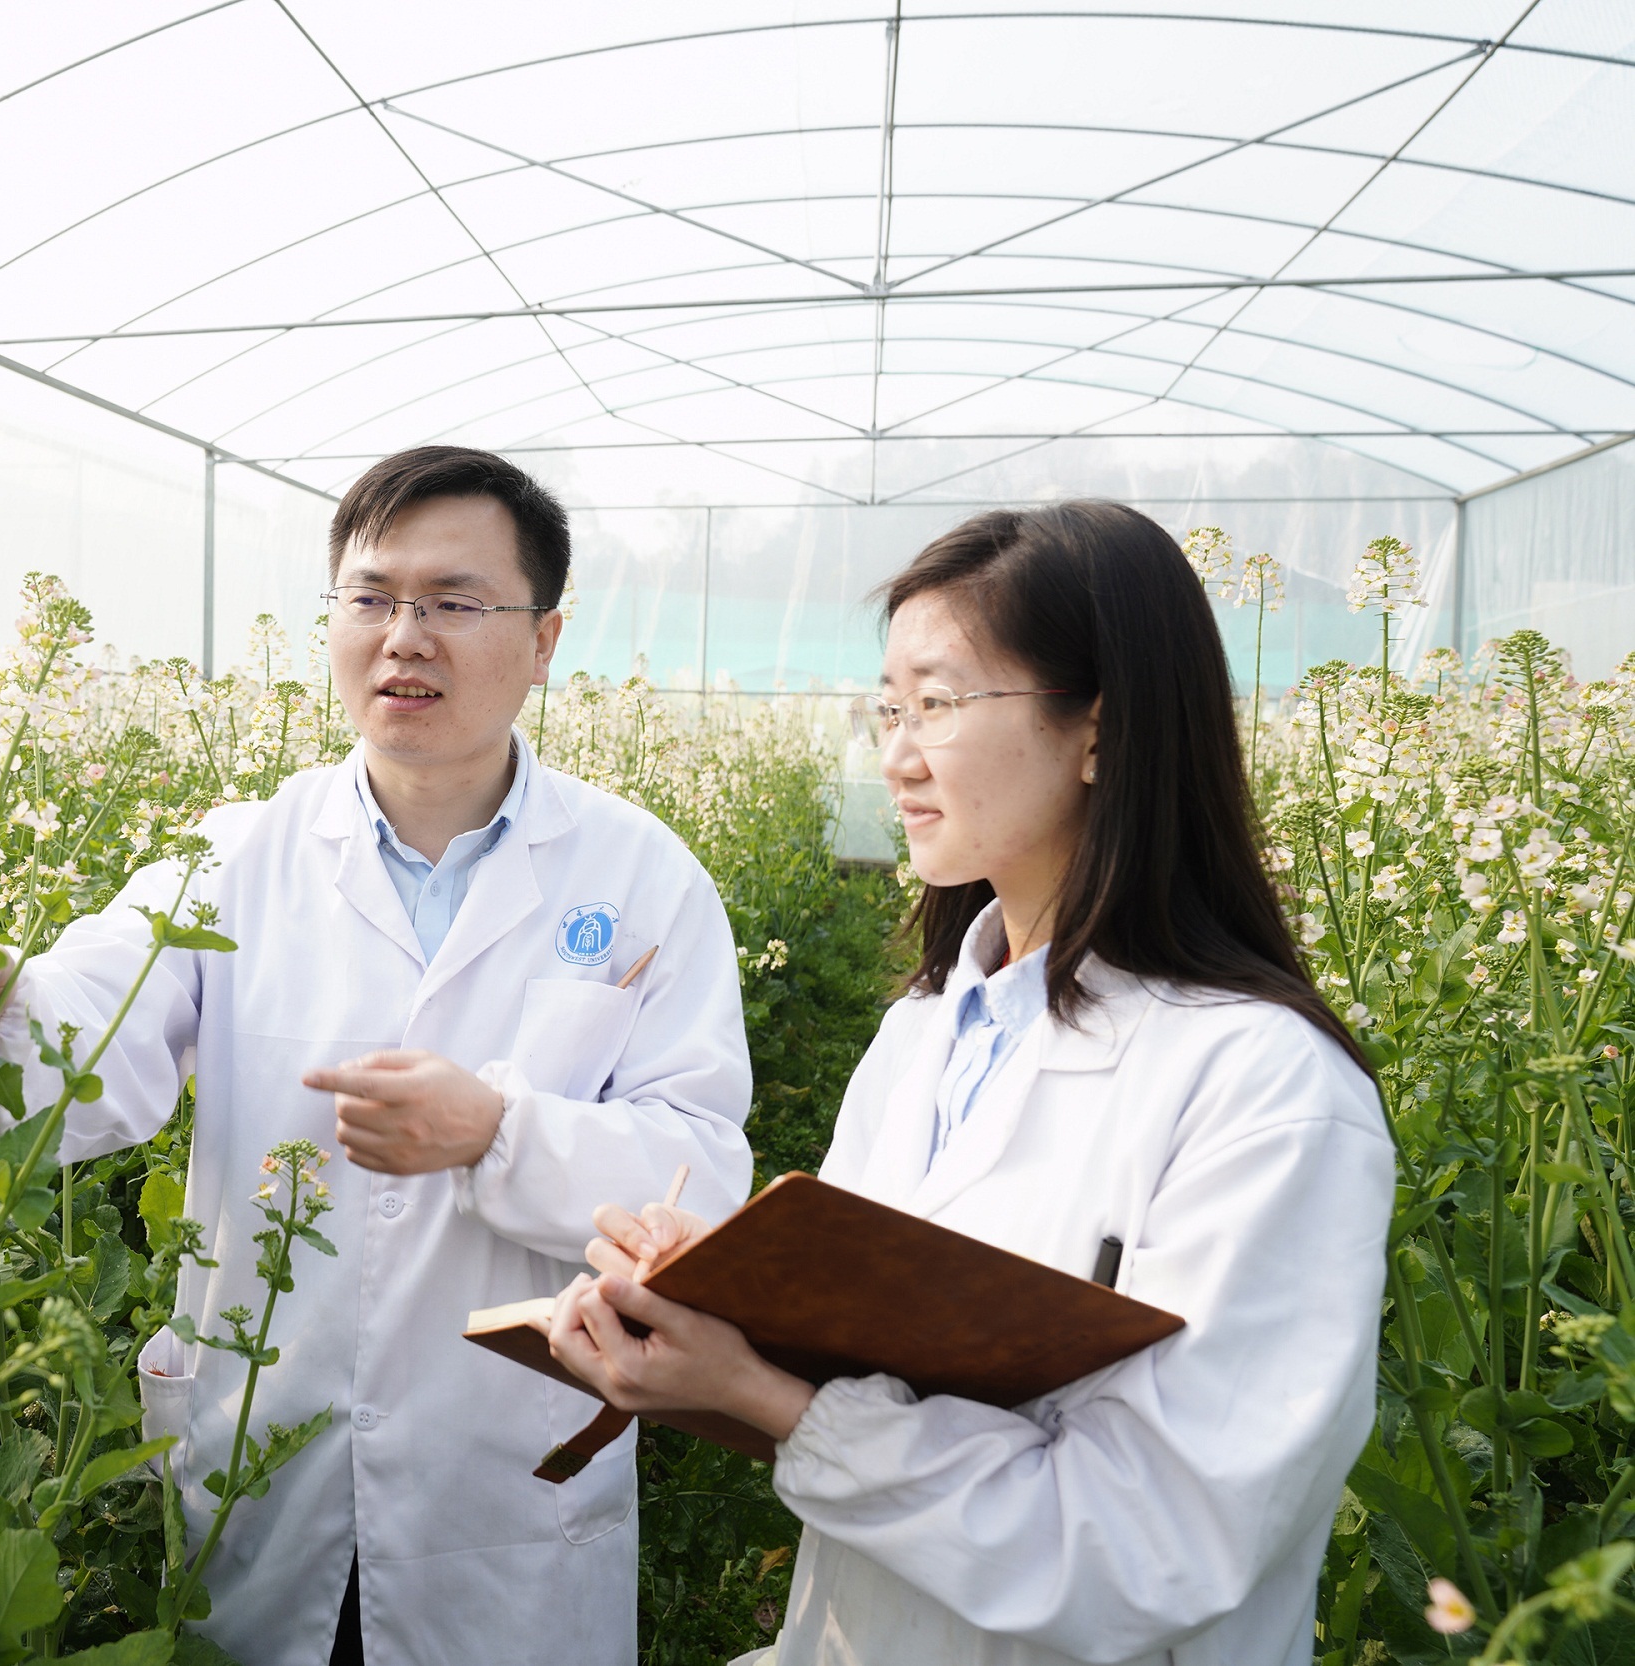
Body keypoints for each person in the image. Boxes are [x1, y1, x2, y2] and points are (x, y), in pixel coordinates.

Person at [0, 446, 753, 1666]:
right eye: (371, 597)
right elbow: (84, 1052)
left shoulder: (641, 875)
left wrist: (500, 1134)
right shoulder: (235, 857)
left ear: (544, 640)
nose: (405, 637)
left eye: (454, 602)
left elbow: (702, 1176)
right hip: (262, 1473)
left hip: (504, 1498)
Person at [547, 501, 1393, 1666]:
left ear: (1099, 728)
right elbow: (877, 1357)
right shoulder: (921, 1034)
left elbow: (1159, 1546)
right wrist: (727, 1299)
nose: (892, 753)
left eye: (935, 704)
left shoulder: (1263, 1086)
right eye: (886, 709)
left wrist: (772, 1398)